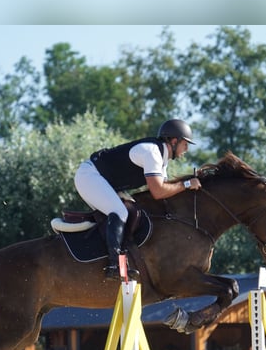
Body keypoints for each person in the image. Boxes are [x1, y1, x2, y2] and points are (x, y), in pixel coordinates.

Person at [74, 119, 202, 278]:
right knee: (120, 212)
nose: (187, 149)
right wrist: (188, 184)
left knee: (134, 211)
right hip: (90, 176)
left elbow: (166, 191)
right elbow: (158, 192)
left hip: (105, 181)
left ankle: (122, 260)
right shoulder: (152, 153)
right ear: (174, 141)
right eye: (185, 144)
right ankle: (114, 265)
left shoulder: (162, 159)